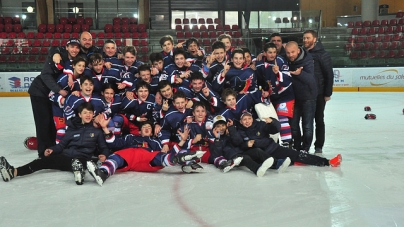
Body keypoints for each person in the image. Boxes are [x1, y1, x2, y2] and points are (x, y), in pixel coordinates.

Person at [0, 102, 111, 185]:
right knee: (42, 162)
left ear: (93, 115)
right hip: (66, 157)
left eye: (90, 113)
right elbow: (62, 145)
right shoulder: (72, 129)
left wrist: (104, 155)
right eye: (85, 113)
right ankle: (14, 172)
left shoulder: (96, 132)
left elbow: (104, 148)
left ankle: (79, 171)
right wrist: (52, 150)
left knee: (79, 161)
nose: (88, 115)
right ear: (79, 114)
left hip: (83, 158)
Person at [86, 117, 206, 186]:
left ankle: (180, 159)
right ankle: (102, 173)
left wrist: (182, 141)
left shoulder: (156, 142)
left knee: (160, 156)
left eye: (149, 127)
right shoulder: (130, 138)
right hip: (129, 157)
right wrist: (105, 128)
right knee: (115, 157)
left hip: (147, 159)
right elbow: (114, 143)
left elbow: (167, 152)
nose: (147, 129)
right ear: (139, 131)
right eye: (144, 128)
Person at [232, 111, 341, 169]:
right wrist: (247, 144)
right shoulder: (240, 132)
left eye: (249, 118)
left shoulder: (260, 124)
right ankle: (294, 162)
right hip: (263, 155)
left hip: (273, 148)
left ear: (252, 118)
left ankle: (327, 162)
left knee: (298, 154)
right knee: (277, 162)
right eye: (244, 120)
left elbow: (276, 129)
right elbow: (241, 145)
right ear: (241, 122)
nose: (247, 121)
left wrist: (273, 121)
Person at [28, 38, 80, 157]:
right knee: (43, 122)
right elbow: (45, 75)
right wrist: (59, 90)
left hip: (52, 94)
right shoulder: (58, 57)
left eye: (77, 47)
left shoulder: (74, 60)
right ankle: (43, 152)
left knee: (52, 122)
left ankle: (52, 148)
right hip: (40, 92)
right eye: (72, 47)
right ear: (66, 47)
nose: (75, 49)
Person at [209, 115, 289, 177]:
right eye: (218, 126)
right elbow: (216, 154)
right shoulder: (214, 140)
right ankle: (257, 169)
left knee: (257, 151)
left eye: (223, 125)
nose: (221, 128)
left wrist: (232, 129)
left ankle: (277, 163)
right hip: (234, 158)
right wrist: (217, 139)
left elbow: (238, 142)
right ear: (214, 128)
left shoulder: (230, 133)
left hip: (242, 152)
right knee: (245, 158)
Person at [255, 42, 294, 147]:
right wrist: (263, 90)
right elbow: (259, 79)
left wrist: (278, 73)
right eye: (269, 52)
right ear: (264, 53)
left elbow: (287, 80)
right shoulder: (258, 63)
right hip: (271, 97)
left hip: (285, 96)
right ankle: (274, 145)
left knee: (282, 119)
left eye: (274, 52)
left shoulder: (281, 61)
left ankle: (287, 143)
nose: (272, 55)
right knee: (270, 120)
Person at [303, 30, 334, 156]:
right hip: (306, 93)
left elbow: (329, 75)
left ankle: (319, 146)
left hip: (320, 93)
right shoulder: (303, 53)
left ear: (315, 39)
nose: (305, 40)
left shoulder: (323, 55)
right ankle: (305, 145)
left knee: (319, 119)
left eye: (308, 38)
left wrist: (327, 93)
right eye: (304, 38)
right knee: (306, 121)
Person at [285, 41, 317, 153]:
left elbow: (311, 80)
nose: (290, 55)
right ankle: (297, 147)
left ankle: (305, 149)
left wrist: (300, 74)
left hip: (308, 97)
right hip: (293, 97)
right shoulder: (285, 59)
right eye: (288, 53)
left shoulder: (308, 60)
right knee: (293, 125)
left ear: (298, 50)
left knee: (307, 126)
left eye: (293, 52)